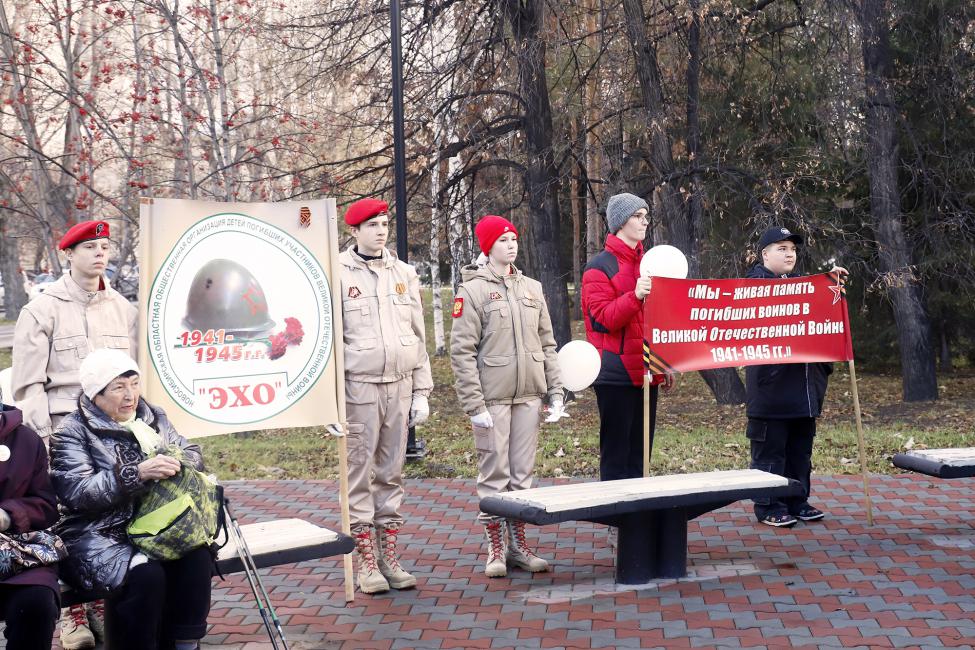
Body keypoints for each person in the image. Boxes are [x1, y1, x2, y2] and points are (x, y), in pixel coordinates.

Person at [11, 219, 137, 649]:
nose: (99, 253)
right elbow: (28, 386)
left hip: (112, 430)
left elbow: (133, 379)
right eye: (89, 247)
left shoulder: (123, 307)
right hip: (62, 426)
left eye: (104, 246)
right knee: (64, 520)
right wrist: (42, 442)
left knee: (109, 517)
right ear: (68, 254)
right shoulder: (42, 309)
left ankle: (101, 601)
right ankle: (72, 614)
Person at [49, 349, 212, 650]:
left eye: (134, 384)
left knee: (196, 556)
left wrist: (179, 461)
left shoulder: (153, 417)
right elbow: (77, 492)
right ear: (96, 394)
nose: (130, 395)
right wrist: (136, 473)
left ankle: (185, 644)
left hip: (157, 523)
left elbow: (192, 453)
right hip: (98, 531)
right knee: (145, 576)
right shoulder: (71, 432)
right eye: (118, 387)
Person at [450, 215, 564, 578]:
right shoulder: (472, 291)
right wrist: (474, 405)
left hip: (528, 395)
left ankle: (519, 544)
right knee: (493, 472)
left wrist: (556, 390)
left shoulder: (532, 288)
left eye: (514, 238)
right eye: (502, 240)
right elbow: (462, 352)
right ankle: (495, 547)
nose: (511, 244)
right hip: (493, 400)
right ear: (488, 247)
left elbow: (547, 343)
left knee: (521, 474)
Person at [339, 198, 433, 594]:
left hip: (399, 385)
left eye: (384, 223)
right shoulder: (337, 274)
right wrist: (329, 401)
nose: (381, 230)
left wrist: (422, 390)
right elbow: (327, 341)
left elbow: (417, 333)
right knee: (359, 474)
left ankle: (389, 557)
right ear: (355, 231)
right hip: (358, 387)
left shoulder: (404, 273)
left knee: (391, 473)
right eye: (372, 225)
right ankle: (366, 563)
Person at [745, 226, 847, 528]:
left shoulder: (803, 285)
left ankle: (796, 500)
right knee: (771, 452)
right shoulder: (752, 286)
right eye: (781, 248)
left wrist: (830, 284)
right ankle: (768, 505)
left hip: (805, 389)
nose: (790, 254)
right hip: (772, 389)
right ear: (765, 254)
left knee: (800, 452)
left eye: (792, 249)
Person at [581, 193, 671, 482]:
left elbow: (659, 320)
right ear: (620, 222)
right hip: (615, 373)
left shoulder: (651, 263)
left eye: (646, 216)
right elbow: (603, 320)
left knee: (641, 453)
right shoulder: (599, 266)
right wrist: (635, 296)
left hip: (646, 371)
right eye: (637, 216)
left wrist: (664, 363)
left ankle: (639, 522)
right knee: (617, 454)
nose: (644, 222)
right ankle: (617, 520)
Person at [0, 401, 61, 650]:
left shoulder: (25, 440)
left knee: (37, 602)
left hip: (18, 556)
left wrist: (8, 515)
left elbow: (46, 505)